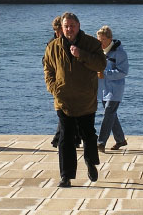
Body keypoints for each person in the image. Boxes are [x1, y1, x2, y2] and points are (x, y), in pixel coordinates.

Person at [43, 12, 107, 188]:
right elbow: (48, 69)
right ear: (61, 28)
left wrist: (81, 54)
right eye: (66, 26)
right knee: (66, 137)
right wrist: (54, 89)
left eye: (72, 25)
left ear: (78, 26)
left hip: (86, 99)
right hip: (63, 100)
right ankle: (66, 176)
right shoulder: (53, 47)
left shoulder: (92, 44)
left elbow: (101, 65)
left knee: (88, 134)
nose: (69, 29)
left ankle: (90, 162)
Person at [48, 16, 82, 149]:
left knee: (70, 113)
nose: (59, 34)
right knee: (64, 112)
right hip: (60, 84)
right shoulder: (53, 44)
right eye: (58, 31)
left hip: (73, 84)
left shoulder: (75, 41)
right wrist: (53, 86)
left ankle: (70, 138)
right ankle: (61, 139)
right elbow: (47, 63)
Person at [96, 25, 129, 153]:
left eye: (102, 40)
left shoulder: (120, 52)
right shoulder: (100, 51)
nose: (100, 43)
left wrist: (105, 73)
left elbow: (123, 71)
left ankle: (100, 142)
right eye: (98, 40)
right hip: (103, 89)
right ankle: (120, 139)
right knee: (111, 115)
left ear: (110, 39)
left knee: (108, 114)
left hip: (115, 90)